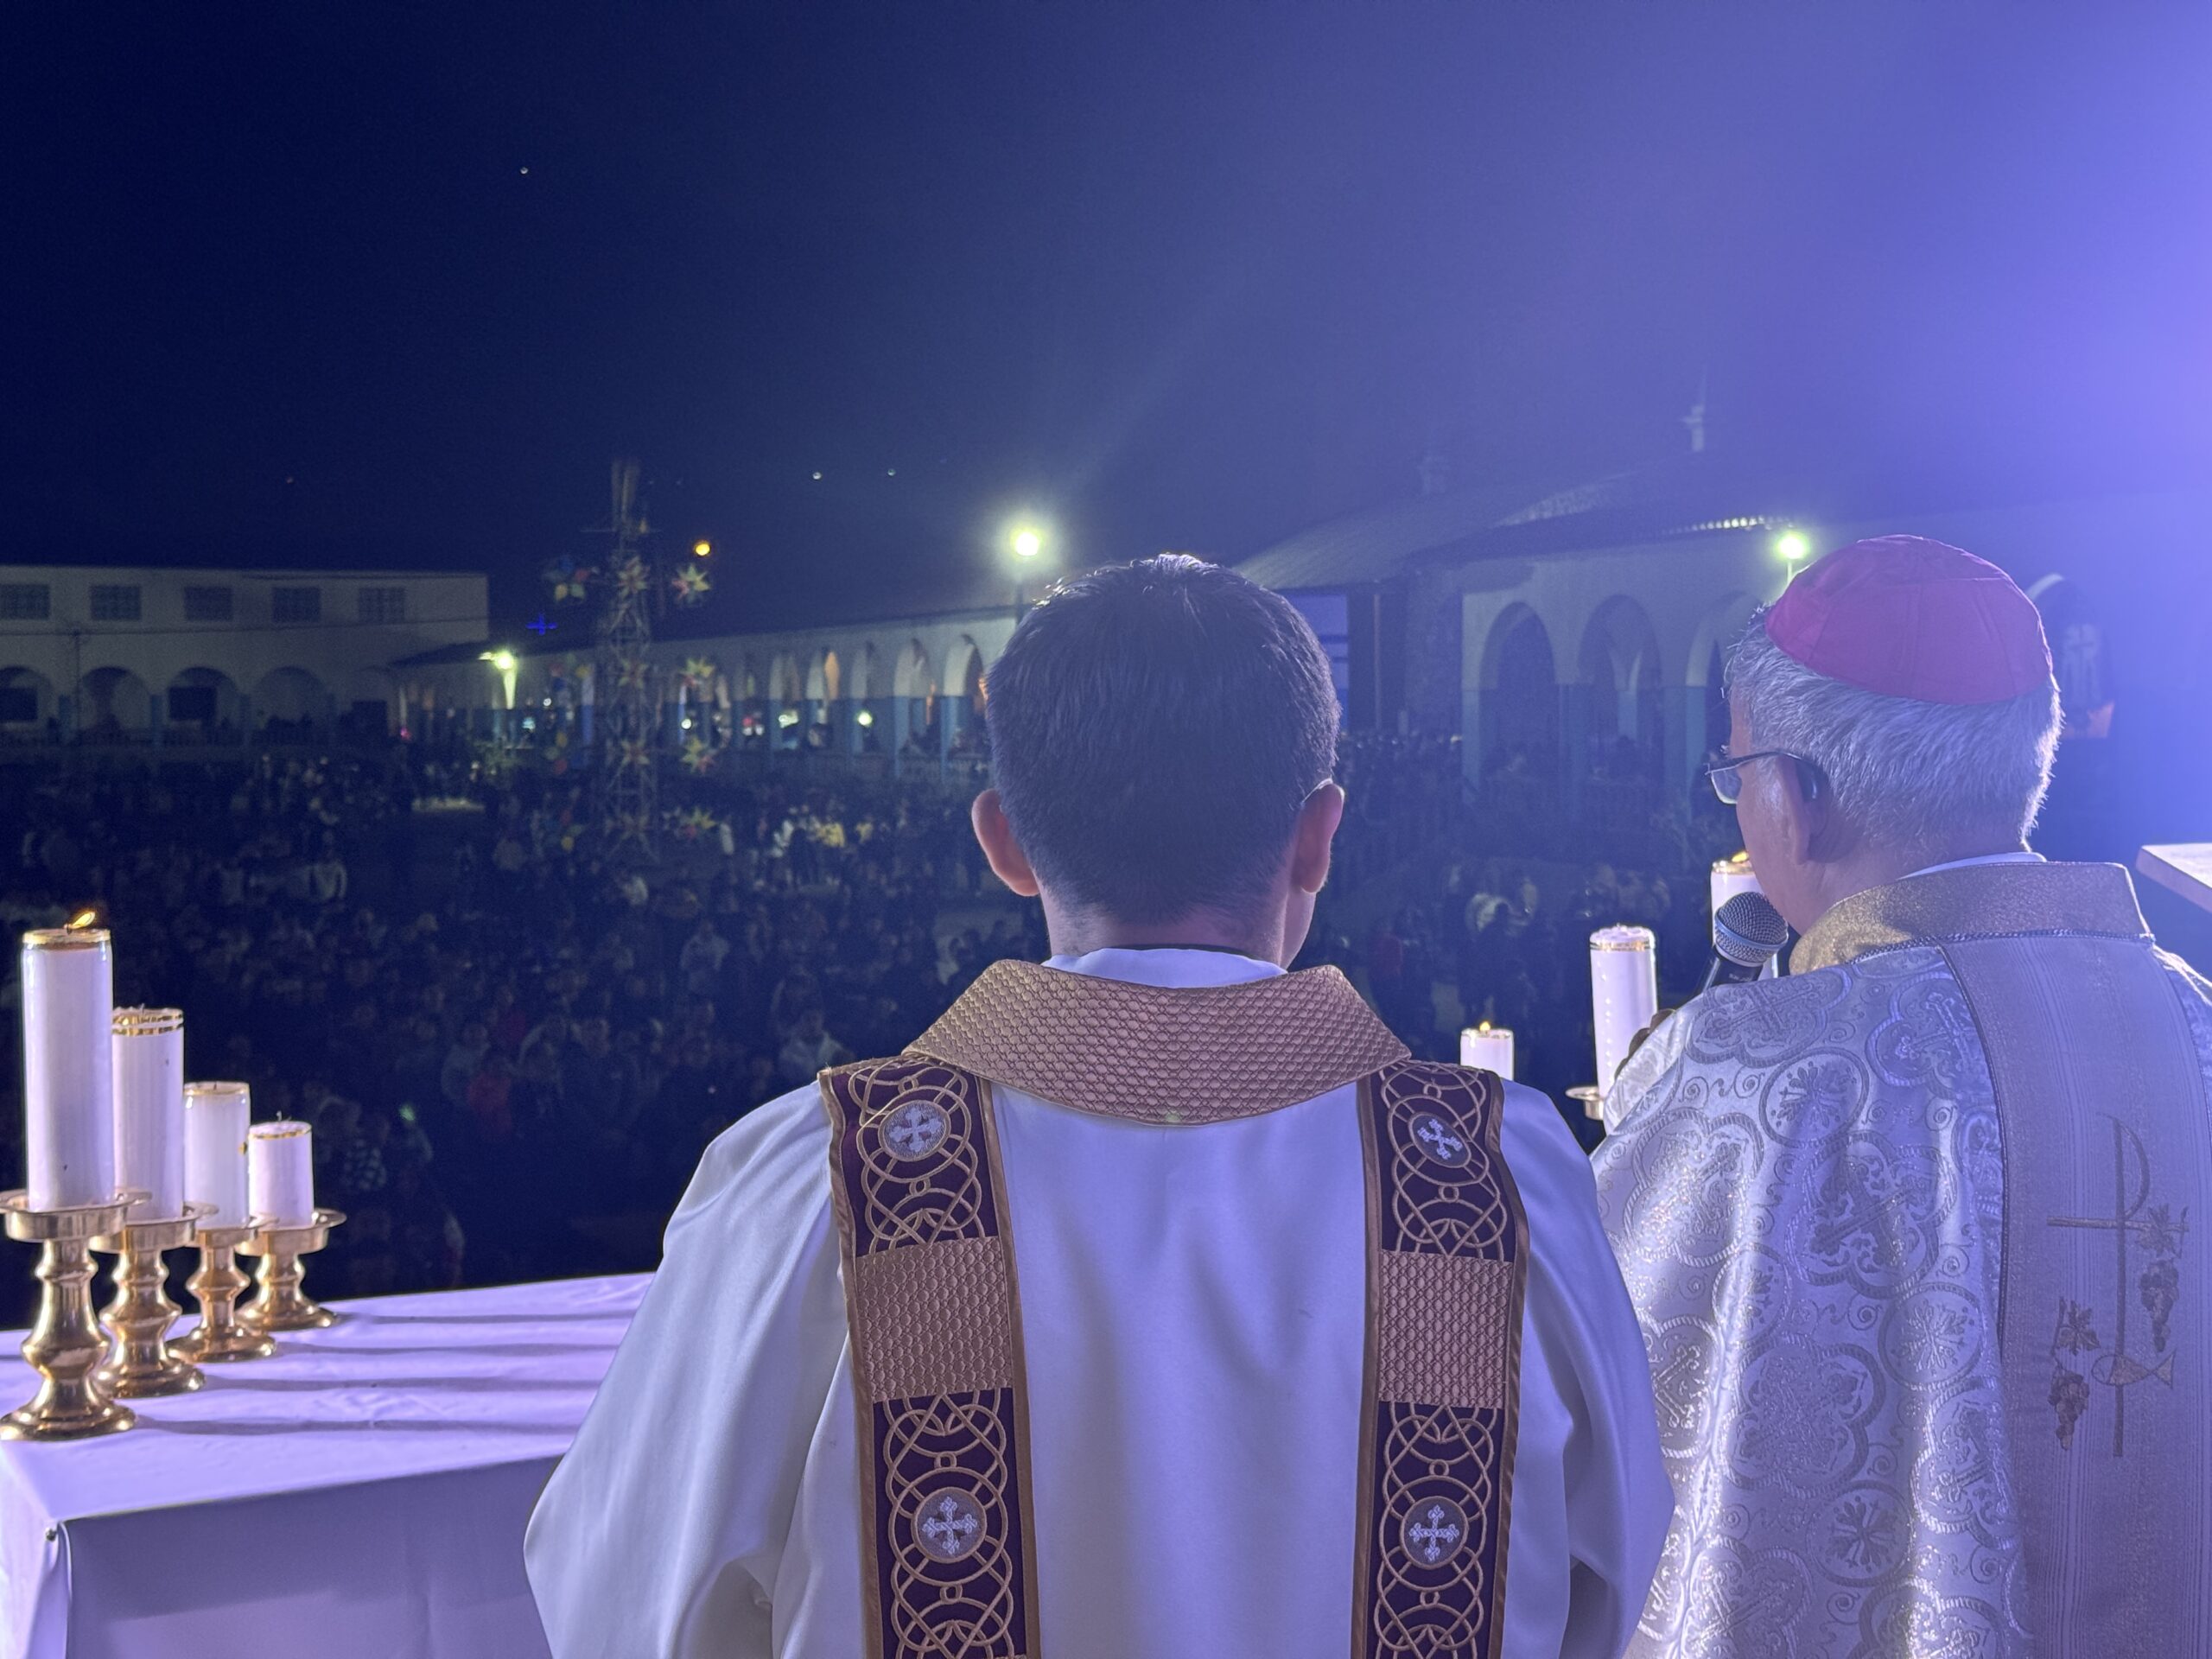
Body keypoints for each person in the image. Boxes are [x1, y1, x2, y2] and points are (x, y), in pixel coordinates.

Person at [529, 556, 1669, 1659]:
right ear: (1320, 835)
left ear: (1005, 846)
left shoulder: (816, 1186)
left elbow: (622, 1600)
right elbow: (1613, 1573)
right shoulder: (1496, 1178)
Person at [1593, 536, 2212, 1657]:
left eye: (1739, 777)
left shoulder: (1761, 1078)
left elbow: (1601, 1418)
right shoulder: (2201, 1026)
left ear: (1803, 798)